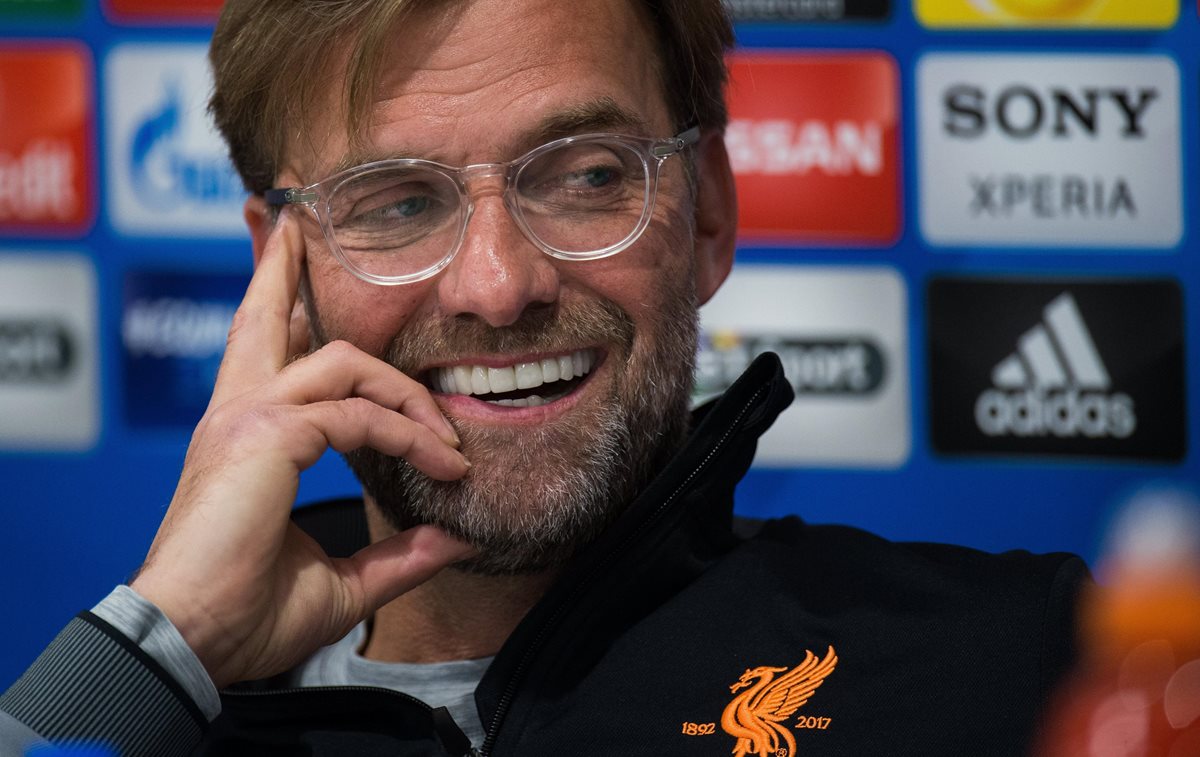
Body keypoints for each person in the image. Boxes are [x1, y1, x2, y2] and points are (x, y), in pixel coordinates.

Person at [0, 1, 1089, 755]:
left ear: (706, 211)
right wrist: (159, 644)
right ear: (278, 274)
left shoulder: (1021, 672)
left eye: (585, 177)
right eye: (396, 202)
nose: (497, 282)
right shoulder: (155, 711)